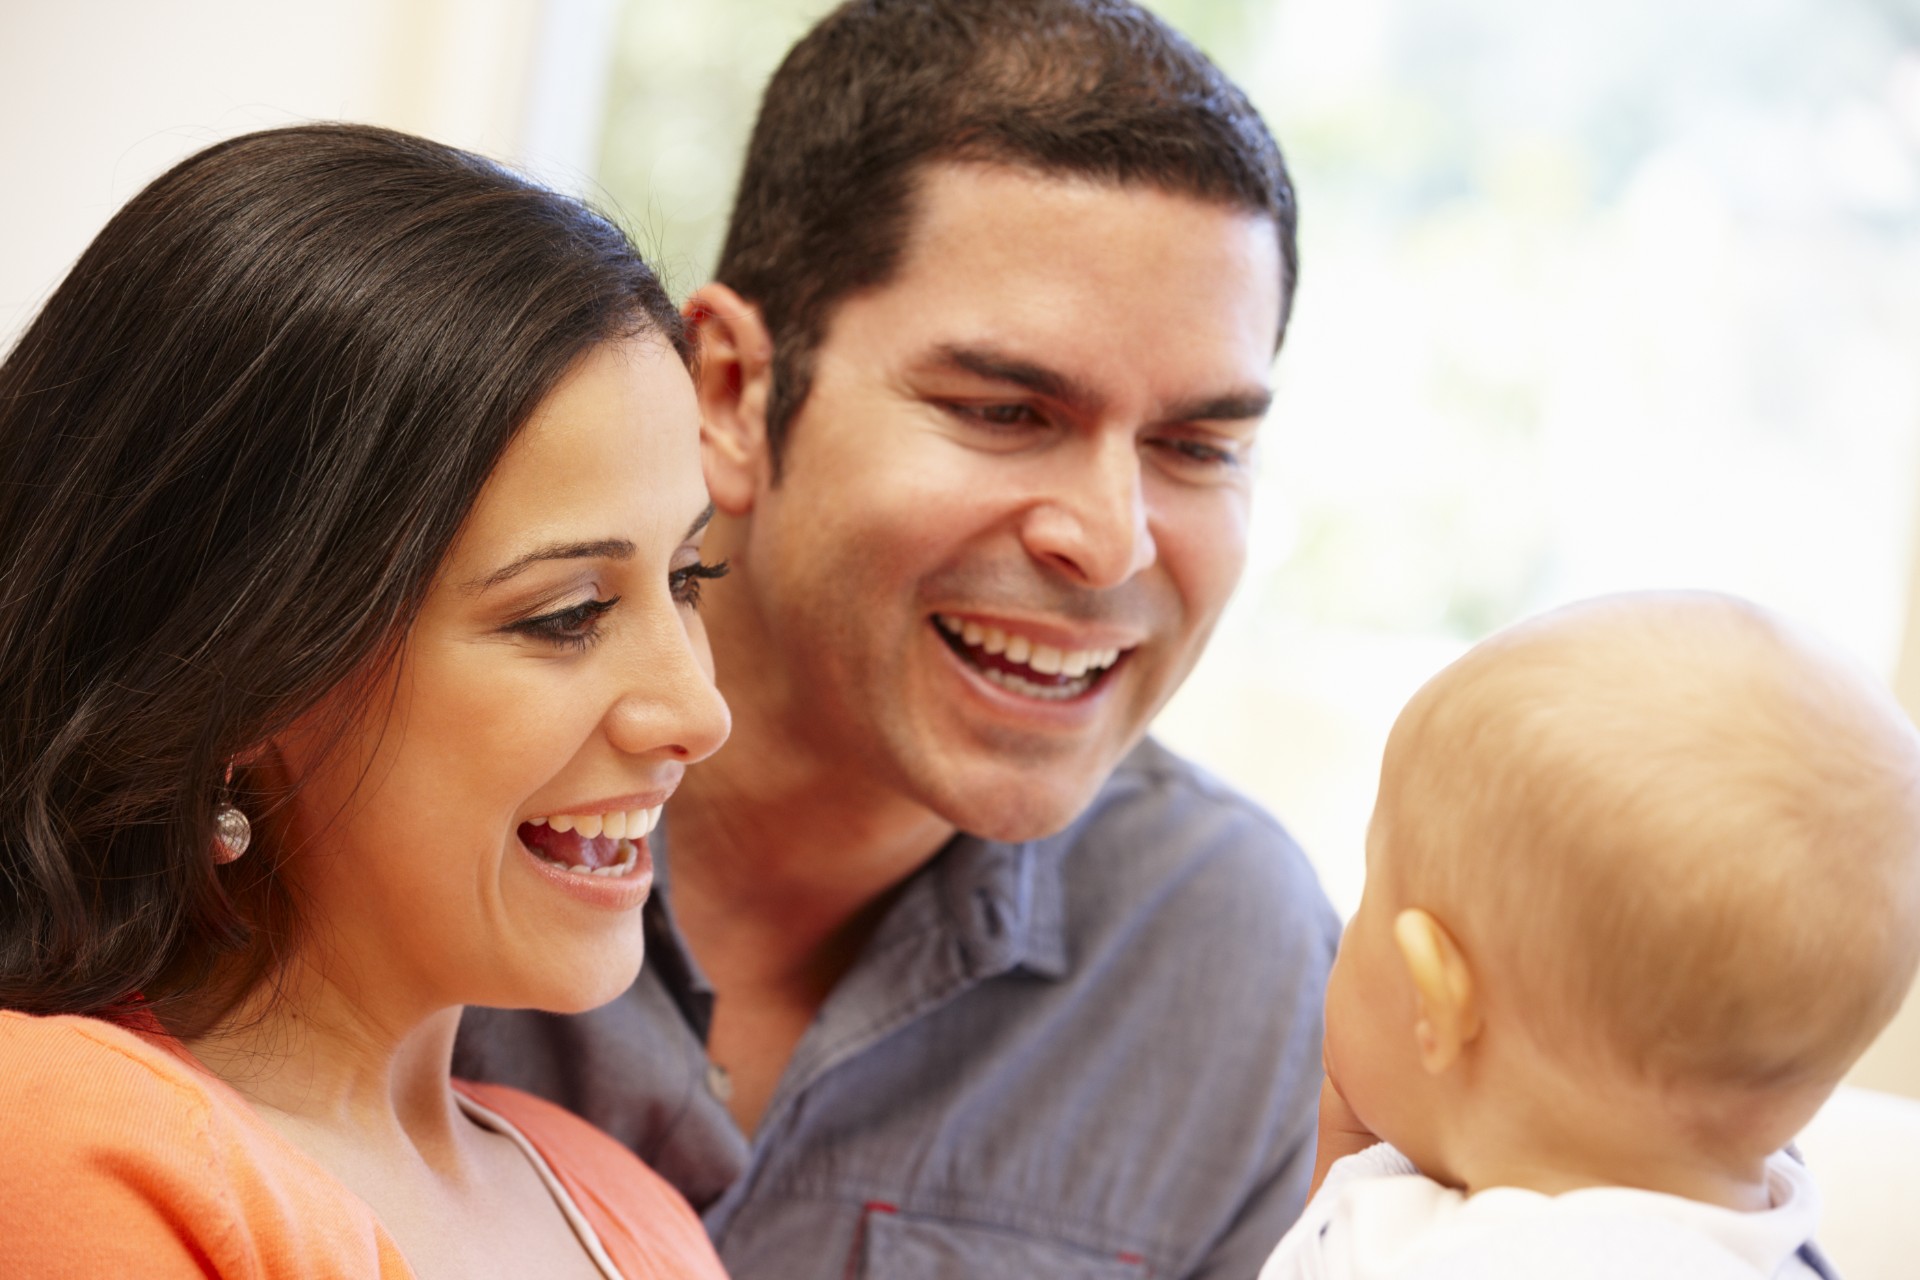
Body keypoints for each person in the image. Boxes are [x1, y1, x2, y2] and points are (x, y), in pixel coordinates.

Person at [456, 2, 1340, 1276]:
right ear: (734, 393)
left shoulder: (1234, 960)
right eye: (1003, 409)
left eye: (1197, 446)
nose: (1110, 541)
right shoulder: (389, 794)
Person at [0, 123, 734, 1279]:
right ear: (239, 667)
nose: (698, 710)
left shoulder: (628, 1206)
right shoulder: (66, 1149)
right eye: (566, 613)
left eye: (688, 578)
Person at [1260, 592, 1919, 1279]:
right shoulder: (1789, 1253)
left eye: (1372, 892)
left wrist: (1342, 1177)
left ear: (1437, 1001)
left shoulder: (1397, 1252)